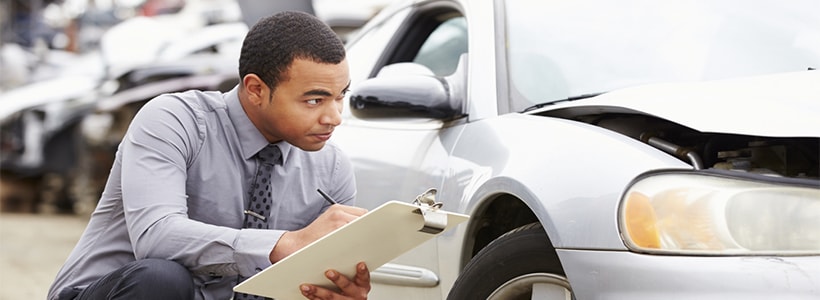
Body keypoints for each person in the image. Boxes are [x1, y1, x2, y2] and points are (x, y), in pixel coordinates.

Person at [48, 11, 371, 300]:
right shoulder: (173, 120)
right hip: (119, 291)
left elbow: (312, 278)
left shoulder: (332, 167)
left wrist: (337, 291)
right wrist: (283, 244)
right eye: (315, 100)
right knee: (162, 279)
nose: (334, 117)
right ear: (256, 89)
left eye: (340, 96)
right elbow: (157, 237)